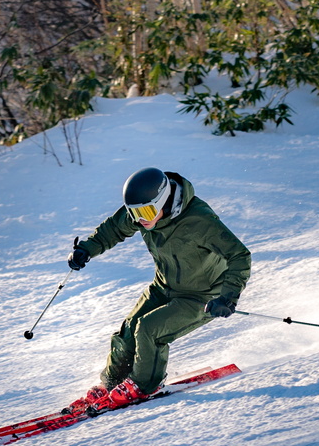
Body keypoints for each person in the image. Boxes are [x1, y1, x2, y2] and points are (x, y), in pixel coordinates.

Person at [65, 167, 251, 414]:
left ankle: (145, 385)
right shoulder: (142, 213)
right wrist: (86, 249)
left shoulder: (199, 220)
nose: (141, 219)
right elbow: (114, 228)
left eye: (145, 211)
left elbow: (239, 255)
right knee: (129, 328)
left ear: (163, 200)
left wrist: (227, 297)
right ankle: (112, 383)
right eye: (134, 213)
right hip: (165, 286)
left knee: (150, 329)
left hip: (203, 296)